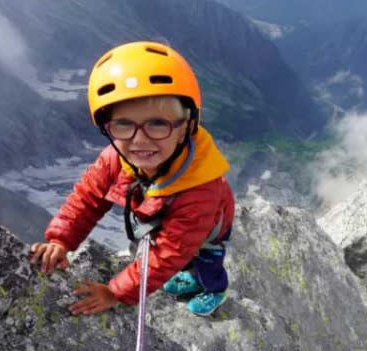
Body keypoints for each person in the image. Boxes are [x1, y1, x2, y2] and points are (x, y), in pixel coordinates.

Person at [29, 41, 235, 316]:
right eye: (124, 124)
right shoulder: (116, 158)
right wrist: (60, 240)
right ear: (108, 128)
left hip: (209, 223)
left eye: (158, 123)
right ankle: (193, 276)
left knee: (206, 256)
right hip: (169, 213)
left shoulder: (200, 191)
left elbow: (169, 252)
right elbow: (87, 199)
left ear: (187, 125)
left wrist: (116, 292)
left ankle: (214, 288)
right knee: (184, 255)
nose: (140, 139)